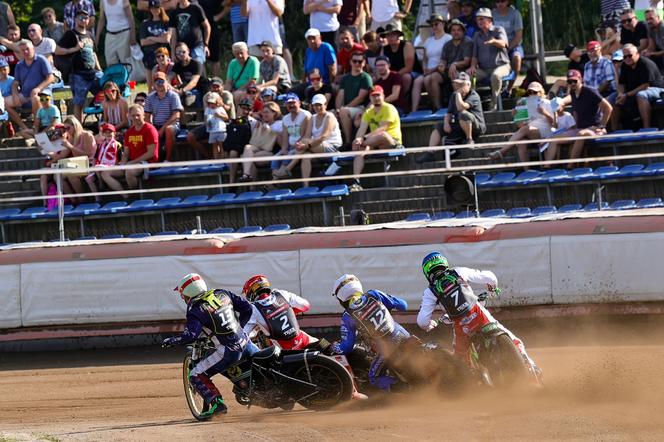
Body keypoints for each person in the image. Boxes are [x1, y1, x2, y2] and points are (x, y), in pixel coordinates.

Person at [416, 252, 542, 383]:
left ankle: (475, 383)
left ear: (426, 271)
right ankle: (532, 368)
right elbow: (490, 277)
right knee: (516, 341)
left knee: (461, 362)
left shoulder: (430, 291)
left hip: (461, 327)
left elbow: (422, 321)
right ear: (444, 263)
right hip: (480, 315)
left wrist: (431, 324)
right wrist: (493, 289)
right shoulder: (458, 272)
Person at [162, 273, 258, 418]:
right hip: (246, 341)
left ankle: (217, 404)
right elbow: (247, 308)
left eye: (182, 294)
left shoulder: (195, 309)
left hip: (228, 351)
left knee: (195, 374)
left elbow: (191, 335)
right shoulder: (221, 293)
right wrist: (239, 329)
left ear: (187, 294)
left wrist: (172, 341)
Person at [330, 274, 410, 391]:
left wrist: (334, 347)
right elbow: (403, 305)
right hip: (403, 334)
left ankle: (407, 391)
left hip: (387, 349)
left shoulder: (348, 316)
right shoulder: (374, 294)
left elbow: (347, 347)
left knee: (374, 377)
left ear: (341, 297)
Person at [544, 70, 612, 165]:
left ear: (581, 79)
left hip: (595, 128)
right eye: (569, 81)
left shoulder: (590, 91)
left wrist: (601, 126)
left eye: (574, 81)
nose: (572, 83)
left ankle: (570, 166)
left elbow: (608, 108)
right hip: (581, 128)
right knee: (554, 139)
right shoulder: (573, 94)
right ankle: (547, 167)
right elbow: (575, 112)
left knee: (581, 134)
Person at [350, 85, 402, 191]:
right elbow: (361, 129)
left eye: (378, 95)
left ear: (383, 96)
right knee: (360, 150)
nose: (376, 98)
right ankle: (356, 181)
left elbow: (383, 128)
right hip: (374, 142)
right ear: (370, 98)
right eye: (373, 96)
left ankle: (361, 145)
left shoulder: (389, 108)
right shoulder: (368, 112)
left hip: (391, 141)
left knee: (381, 135)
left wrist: (362, 139)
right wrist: (357, 140)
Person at [55, 10, 102, 122]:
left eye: (86, 18)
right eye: (81, 17)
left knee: (105, 92)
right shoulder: (71, 34)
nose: (84, 20)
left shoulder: (90, 34)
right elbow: (57, 50)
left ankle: (102, 123)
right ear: (75, 19)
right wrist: (74, 49)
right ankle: (79, 128)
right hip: (78, 73)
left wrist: (99, 69)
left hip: (92, 72)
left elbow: (93, 53)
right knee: (79, 102)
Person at [489, 81, 553, 162]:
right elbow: (521, 127)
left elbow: (554, 123)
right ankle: (527, 171)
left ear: (541, 92)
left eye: (535, 92)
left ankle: (502, 151)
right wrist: (516, 116)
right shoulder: (524, 103)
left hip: (545, 131)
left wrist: (545, 113)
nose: (532, 94)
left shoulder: (547, 103)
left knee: (526, 129)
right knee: (521, 143)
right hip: (530, 131)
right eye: (530, 92)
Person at [102, 104, 159, 192]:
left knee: (129, 171)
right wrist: (123, 164)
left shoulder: (150, 129)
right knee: (105, 173)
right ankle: (125, 195)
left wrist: (132, 162)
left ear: (143, 116)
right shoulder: (129, 132)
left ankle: (135, 197)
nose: (135, 117)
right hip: (132, 162)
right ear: (129, 116)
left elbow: (151, 153)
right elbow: (126, 153)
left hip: (147, 162)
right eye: (133, 115)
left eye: (138, 115)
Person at [5, 40, 55, 133]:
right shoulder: (19, 65)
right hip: (25, 95)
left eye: (27, 49)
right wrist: (15, 94)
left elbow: (51, 77)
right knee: (3, 102)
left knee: (35, 98)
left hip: (43, 94)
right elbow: (15, 83)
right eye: (23, 50)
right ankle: (24, 127)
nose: (26, 52)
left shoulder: (41, 60)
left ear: (33, 48)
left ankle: (36, 128)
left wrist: (38, 88)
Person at [467, 8, 511, 112]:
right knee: (466, 76)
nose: (479, 21)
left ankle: (494, 103)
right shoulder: (477, 35)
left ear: (490, 20)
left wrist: (494, 41)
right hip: (484, 69)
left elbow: (504, 43)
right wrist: (473, 66)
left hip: (502, 66)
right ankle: (472, 104)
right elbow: (474, 56)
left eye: (482, 19)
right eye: (477, 19)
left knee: (496, 76)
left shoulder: (498, 29)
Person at [293, 93, 342, 184]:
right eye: (315, 105)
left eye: (319, 105)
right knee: (305, 157)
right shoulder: (313, 118)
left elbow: (324, 136)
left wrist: (307, 145)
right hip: (317, 147)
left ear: (325, 105)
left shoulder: (329, 116)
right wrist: (301, 144)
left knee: (304, 143)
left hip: (332, 148)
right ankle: (306, 186)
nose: (317, 107)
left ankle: (288, 168)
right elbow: (307, 136)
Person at [613, 43, 664, 129]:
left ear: (637, 54)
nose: (627, 59)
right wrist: (620, 94)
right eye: (624, 57)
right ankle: (614, 131)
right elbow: (621, 83)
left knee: (641, 95)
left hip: (656, 89)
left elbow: (645, 86)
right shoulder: (625, 65)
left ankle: (646, 128)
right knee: (611, 99)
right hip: (635, 90)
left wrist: (626, 95)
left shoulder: (645, 63)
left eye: (629, 56)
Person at [412, 14, 452, 112]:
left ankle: (437, 107)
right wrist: (425, 68)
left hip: (442, 70)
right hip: (428, 70)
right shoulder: (428, 40)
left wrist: (432, 70)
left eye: (436, 24)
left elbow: (447, 59)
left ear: (442, 24)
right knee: (417, 82)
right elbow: (425, 58)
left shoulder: (448, 38)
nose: (434, 27)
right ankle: (414, 110)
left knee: (430, 79)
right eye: (432, 25)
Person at [433, 19, 473, 110]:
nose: (456, 32)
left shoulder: (467, 42)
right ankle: (438, 107)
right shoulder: (447, 44)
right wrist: (441, 65)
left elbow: (466, 61)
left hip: (463, 71)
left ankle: (457, 106)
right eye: (453, 30)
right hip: (448, 70)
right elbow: (443, 60)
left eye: (458, 30)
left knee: (454, 73)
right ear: (450, 32)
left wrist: (455, 64)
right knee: (431, 78)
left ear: (463, 31)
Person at [144, 71, 183, 161]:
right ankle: (151, 160)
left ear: (166, 82)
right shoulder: (150, 98)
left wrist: (162, 130)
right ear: (154, 84)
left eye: (161, 81)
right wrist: (152, 129)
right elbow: (147, 117)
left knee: (169, 129)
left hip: (172, 124)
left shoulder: (173, 96)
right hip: (156, 124)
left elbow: (176, 115)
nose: (159, 84)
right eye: (157, 82)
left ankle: (167, 160)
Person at [238, 101, 282, 182]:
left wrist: (270, 130)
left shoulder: (279, 124)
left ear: (274, 113)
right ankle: (246, 175)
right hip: (259, 149)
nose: (264, 114)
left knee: (245, 158)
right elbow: (247, 119)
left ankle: (251, 187)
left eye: (267, 112)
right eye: (263, 112)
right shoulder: (260, 124)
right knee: (247, 148)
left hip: (272, 153)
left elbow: (282, 142)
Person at [272, 93, 310, 179]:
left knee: (287, 158)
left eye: (293, 102)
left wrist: (292, 149)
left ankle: (275, 181)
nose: (291, 105)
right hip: (291, 146)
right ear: (285, 105)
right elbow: (285, 138)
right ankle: (274, 182)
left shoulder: (305, 115)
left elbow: (304, 135)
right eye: (289, 103)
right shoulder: (285, 118)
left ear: (299, 103)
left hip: (300, 145)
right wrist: (284, 149)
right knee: (275, 159)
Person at [337, 52, 373, 145]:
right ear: (350, 62)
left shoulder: (366, 77)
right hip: (348, 108)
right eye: (355, 61)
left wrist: (343, 109)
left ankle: (348, 142)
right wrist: (338, 109)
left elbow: (360, 98)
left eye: (360, 61)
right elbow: (340, 95)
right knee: (331, 114)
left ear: (364, 63)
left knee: (343, 111)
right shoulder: (345, 78)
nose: (357, 63)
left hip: (361, 108)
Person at [60, 116, 97, 203]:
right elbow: (62, 154)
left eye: (68, 128)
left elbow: (88, 154)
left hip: (89, 163)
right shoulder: (71, 137)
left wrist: (70, 146)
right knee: (57, 175)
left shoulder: (86, 135)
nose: (67, 131)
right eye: (65, 129)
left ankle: (81, 199)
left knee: (71, 174)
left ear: (75, 125)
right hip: (78, 163)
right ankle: (73, 198)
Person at [380, 24, 420, 101]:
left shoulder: (406, 45)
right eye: (388, 35)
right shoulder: (384, 49)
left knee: (406, 77)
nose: (390, 37)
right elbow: (380, 64)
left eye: (393, 35)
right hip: (391, 74)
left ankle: (403, 100)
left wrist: (394, 76)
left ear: (398, 35)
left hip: (412, 73)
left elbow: (409, 67)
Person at [492, 0, 523, 94]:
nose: (500, 4)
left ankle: (509, 88)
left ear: (508, 1)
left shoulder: (515, 14)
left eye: (502, 1)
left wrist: (508, 48)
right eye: (497, 1)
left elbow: (518, 36)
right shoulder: (491, 14)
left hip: (513, 45)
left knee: (517, 59)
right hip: (497, 45)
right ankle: (496, 88)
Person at [140, 0, 172, 91]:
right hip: (149, 54)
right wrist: (159, 38)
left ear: (160, 8)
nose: (154, 10)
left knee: (164, 81)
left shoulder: (167, 22)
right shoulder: (145, 23)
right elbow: (143, 42)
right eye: (152, 8)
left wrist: (151, 38)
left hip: (163, 55)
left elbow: (167, 39)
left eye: (156, 8)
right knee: (151, 86)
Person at [96, 0, 137, 67]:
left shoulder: (123, 1)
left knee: (126, 62)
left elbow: (131, 19)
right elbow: (101, 20)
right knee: (110, 62)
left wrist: (132, 37)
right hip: (110, 35)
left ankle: (128, 77)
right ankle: (114, 77)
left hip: (124, 34)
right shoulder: (103, 1)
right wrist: (97, 38)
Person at [225, 98, 257, 183]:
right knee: (233, 152)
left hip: (249, 147)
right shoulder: (234, 121)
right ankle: (232, 182)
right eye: (243, 108)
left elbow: (254, 139)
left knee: (245, 156)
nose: (245, 111)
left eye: (248, 109)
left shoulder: (254, 122)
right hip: (236, 147)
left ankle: (251, 189)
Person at [168, 0, 211, 65]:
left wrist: (206, 45)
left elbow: (207, 27)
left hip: (197, 45)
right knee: (184, 72)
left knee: (197, 66)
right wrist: (173, 53)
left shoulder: (196, 8)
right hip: (181, 48)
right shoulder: (174, 12)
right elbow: (173, 35)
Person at [85, 122, 120, 199]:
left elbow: (119, 158)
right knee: (88, 178)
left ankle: (101, 184)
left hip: (113, 167)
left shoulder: (117, 145)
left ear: (114, 133)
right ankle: (98, 198)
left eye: (110, 132)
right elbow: (96, 158)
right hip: (100, 168)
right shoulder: (101, 145)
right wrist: (91, 168)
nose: (108, 134)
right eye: (106, 132)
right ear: (103, 134)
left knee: (98, 168)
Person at [172, 42, 208, 107]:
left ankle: (199, 113)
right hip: (186, 90)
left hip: (200, 90)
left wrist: (182, 91)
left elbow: (194, 82)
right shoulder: (177, 65)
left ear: (188, 51)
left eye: (183, 52)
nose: (181, 54)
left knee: (191, 95)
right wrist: (171, 88)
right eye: (178, 53)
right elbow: (169, 77)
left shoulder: (196, 64)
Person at [203, 91, 228, 160]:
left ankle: (223, 159)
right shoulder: (207, 109)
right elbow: (205, 118)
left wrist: (219, 115)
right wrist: (207, 123)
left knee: (221, 145)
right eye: (210, 103)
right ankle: (216, 159)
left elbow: (226, 117)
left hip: (221, 129)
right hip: (212, 130)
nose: (212, 105)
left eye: (213, 103)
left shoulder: (220, 109)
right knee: (214, 145)